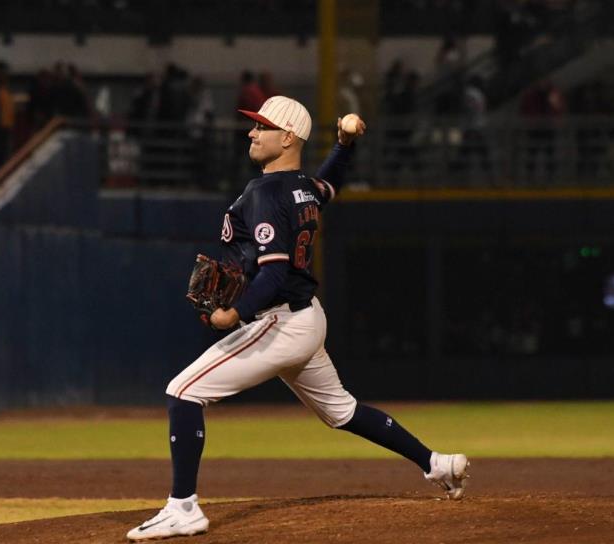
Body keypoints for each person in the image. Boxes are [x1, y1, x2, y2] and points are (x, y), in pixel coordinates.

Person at [126, 96, 470, 541]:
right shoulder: (301, 188)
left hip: (279, 320)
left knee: (183, 393)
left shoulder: (266, 191)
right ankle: (436, 463)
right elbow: (330, 185)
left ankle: (183, 508)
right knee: (342, 411)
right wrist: (345, 145)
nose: (251, 133)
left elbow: (274, 273)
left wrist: (236, 312)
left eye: (261, 127)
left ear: (287, 137)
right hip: (306, 318)